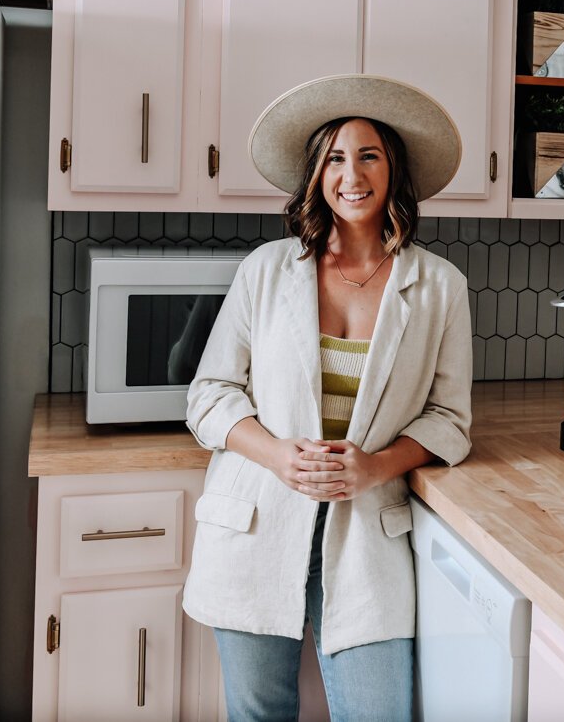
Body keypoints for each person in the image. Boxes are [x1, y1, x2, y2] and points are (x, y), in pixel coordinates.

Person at [183, 74, 473, 722]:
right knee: (259, 714)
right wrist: (279, 454)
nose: (352, 174)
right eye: (335, 158)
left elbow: (451, 421)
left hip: (368, 532)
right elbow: (209, 396)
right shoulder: (265, 269)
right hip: (256, 521)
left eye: (369, 154)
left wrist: (375, 465)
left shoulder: (441, 286)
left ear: (392, 168)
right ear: (316, 174)